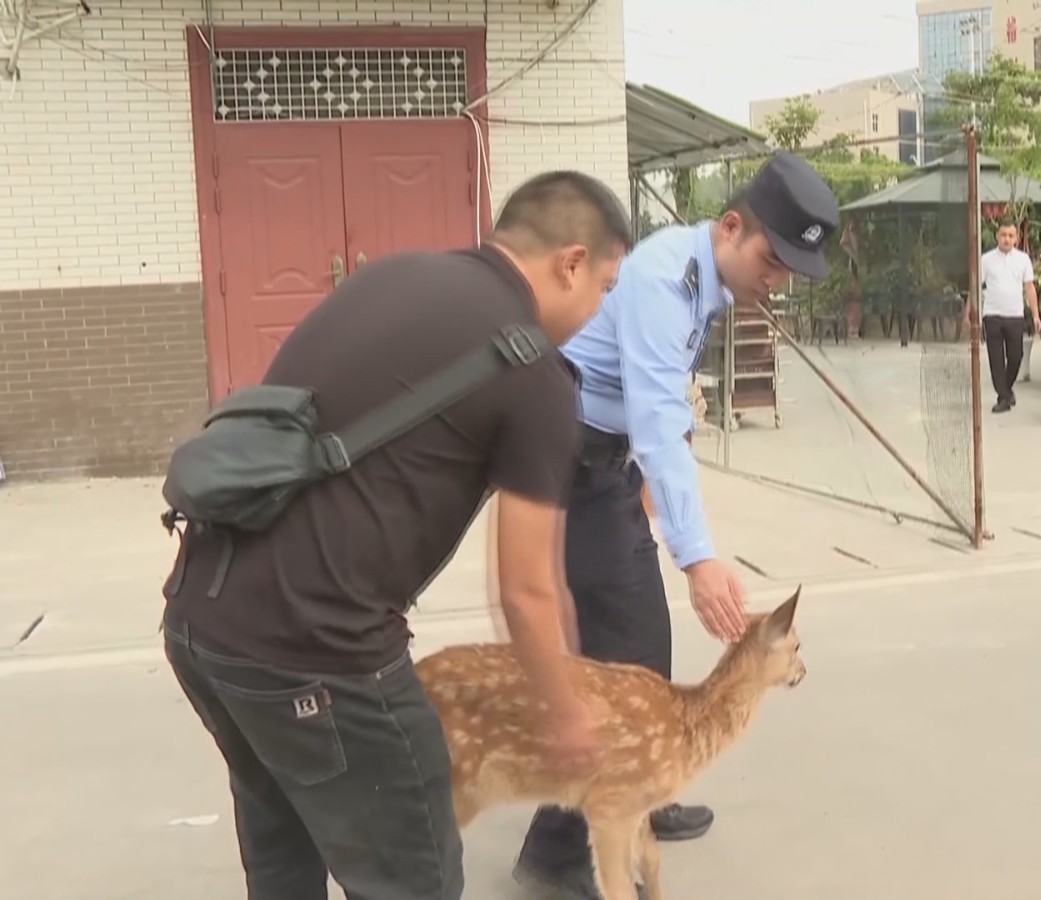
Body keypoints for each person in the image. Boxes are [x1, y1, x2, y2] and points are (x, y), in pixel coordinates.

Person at [159, 171, 633, 900]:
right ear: (571, 263)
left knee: (283, 858)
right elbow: (527, 587)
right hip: (317, 652)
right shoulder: (535, 375)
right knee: (416, 879)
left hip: (203, 619)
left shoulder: (393, 276)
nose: (600, 308)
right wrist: (565, 711)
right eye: (605, 286)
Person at [513, 151, 841, 898]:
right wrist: (697, 557)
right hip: (569, 467)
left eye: (789, 270)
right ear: (730, 228)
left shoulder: (704, 282)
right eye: (771, 259)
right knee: (616, 660)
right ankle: (557, 851)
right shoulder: (667, 281)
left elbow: (662, 406)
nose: (776, 280)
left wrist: (655, 485)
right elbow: (658, 416)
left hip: (608, 465)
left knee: (644, 645)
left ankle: (646, 794)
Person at [974, 223, 1041, 412]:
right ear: (997, 236)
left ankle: (1006, 390)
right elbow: (976, 286)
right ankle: (1003, 398)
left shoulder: (1023, 260)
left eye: (1011, 235)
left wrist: (1036, 314)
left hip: (1015, 315)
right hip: (992, 314)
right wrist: (970, 313)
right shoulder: (986, 260)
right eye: (1003, 235)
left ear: (1016, 238)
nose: (1006, 239)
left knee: (1016, 356)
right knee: (996, 359)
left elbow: (1029, 287)